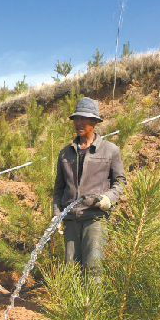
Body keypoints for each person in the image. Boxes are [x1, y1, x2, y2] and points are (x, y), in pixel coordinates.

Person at [53, 97, 126, 271]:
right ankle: (70, 300)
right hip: (70, 219)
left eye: (83, 119)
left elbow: (120, 182)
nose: (78, 123)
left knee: (93, 267)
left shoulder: (110, 150)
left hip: (95, 217)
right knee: (70, 269)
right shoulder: (65, 153)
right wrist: (57, 215)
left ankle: (92, 300)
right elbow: (59, 189)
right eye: (76, 119)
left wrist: (109, 198)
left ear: (94, 121)